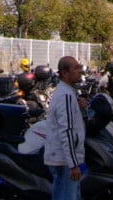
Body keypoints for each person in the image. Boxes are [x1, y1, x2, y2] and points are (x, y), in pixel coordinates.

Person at [43, 56, 85, 200]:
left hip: (64, 158)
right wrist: (73, 164)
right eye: (75, 68)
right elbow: (66, 131)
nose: (80, 71)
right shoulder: (65, 95)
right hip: (64, 160)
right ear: (65, 73)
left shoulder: (68, 92)